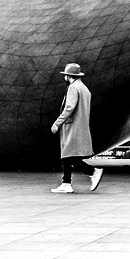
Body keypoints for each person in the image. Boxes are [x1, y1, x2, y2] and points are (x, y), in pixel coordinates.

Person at [49, 61, 101, 193]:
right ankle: (66, 183)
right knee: (68, 156)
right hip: (80, 126)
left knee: (69, 155)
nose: (64, 77)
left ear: (68, 76)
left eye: (65, 75)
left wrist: (57, 123)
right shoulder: (84, 89)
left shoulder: (73, 88)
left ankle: (93, 172)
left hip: (71, 126)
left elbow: (69, 108)